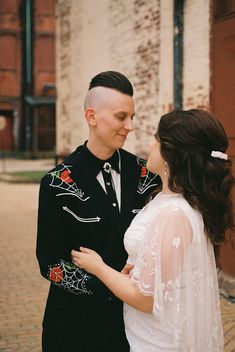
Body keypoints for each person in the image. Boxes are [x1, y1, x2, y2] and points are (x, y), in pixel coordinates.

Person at [72, 108, 235, 352]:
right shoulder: (168, 201)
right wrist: (141, 267)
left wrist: (98, 267)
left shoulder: (175, 213)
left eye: (157, 139)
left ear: (172, 154)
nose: (150, 144)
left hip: (159, 342)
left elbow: (145, 299)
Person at [36, 71, 160, 352]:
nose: (129, 126)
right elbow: (50, 264)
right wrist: (111, 285)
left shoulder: (147, 175)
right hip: (73, 327)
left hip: (133, 328)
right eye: (120, 117)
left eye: (133, 117)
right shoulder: (56, 183)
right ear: (91, 116)